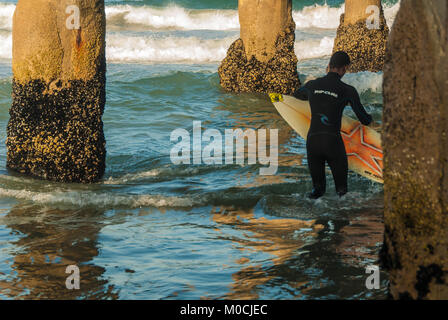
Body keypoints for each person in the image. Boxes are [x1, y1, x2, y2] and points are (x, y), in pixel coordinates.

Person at [294, 51, 374, 199]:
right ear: (345, 68)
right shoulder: (348, 90)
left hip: (313, 142)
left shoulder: (312, 85)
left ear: (329, 65)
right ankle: (340, 221)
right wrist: (372, 119)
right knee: (341, 193)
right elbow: (364, 119)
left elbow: (296, 96)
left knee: (318, 191)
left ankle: (314, 217)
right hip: (333, 143)